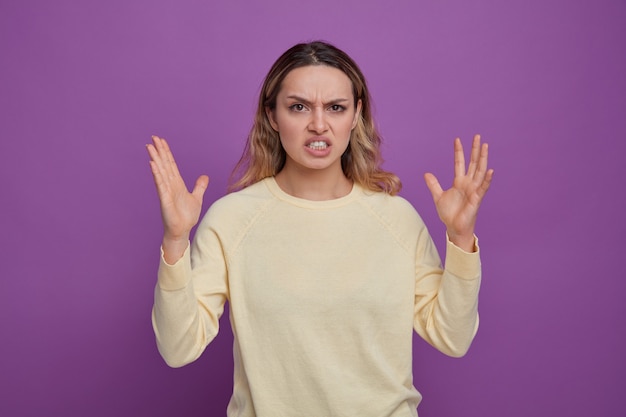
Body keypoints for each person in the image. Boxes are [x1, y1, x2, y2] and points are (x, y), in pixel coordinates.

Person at [146, 41, 493, 417]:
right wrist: (176, 240)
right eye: (298, 107)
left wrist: (460, 239)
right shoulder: (231, 220)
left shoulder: (397, 220)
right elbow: (177, 348)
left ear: (356, 115)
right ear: (272, 116)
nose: (318, 124)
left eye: (335, 107)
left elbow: (452, 338)